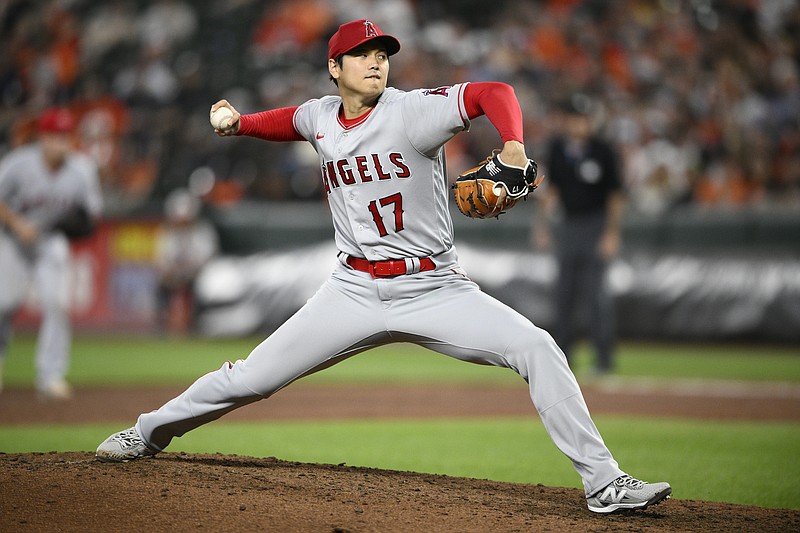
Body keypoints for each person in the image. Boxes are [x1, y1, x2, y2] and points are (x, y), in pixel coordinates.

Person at [96, 20, 670, 514]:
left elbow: (494, 91)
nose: (375, 63)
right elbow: (287, 121)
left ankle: (604, 483)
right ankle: (148, 431)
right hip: (351, 290)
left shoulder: (414, 113)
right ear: (334, 68)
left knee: (538, 347)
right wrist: (239, 122)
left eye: (382, 56)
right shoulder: (321, 116)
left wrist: (513, 144)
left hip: (434, 286)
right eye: (363, 55)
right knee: (251, 378)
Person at [0, 107, 103, 400]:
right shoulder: (18, 164)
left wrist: (73, 222)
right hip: (11, 239)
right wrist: (17, 223)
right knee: (4, 303)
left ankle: (51, 376)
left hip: (50, 240)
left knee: (57, 304)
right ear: (42, 137)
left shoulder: (81, 169)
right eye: (55, 136)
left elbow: (91, 214)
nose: (61, 142)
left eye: (66, 136)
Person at [533, 94, 624, 375]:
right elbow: (552, 191)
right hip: (569, 226)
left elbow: (615, 196)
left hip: (595, 225)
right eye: (575, 118)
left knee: (596, 295)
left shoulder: (603, 150)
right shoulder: (558, 148)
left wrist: (611, 233)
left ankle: (604, 360)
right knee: (564, 294)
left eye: (583, 119)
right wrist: (543, 225)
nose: (579, 124)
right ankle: (564, 359)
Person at [154, 188, 219, 335]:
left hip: (196, 276)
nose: (182, 222)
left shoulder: (203, 231)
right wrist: (173, 272)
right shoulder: (166, 232)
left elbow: (208, 260)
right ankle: (163, 325)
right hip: (175, 275)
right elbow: (162, 260)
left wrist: (189, 270)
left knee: (202, 287)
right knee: (162, 285)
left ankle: (197, 326)